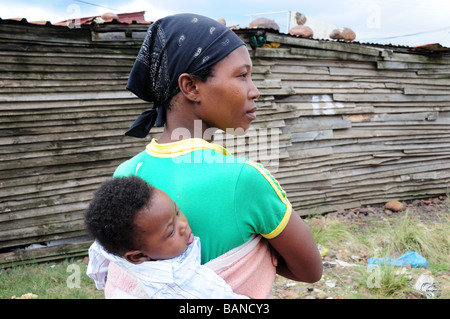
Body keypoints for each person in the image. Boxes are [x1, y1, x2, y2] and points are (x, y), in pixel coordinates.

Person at [110, 13, 323, 298]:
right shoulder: (244, 179)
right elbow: (309, 271)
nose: (255, 91)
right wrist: (257, 250)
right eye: (242, 75)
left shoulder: (126, 174)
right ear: (192, 87)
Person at [85, 176, 248, 299]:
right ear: (138, 256)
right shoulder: (180, 282)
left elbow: (97, 254)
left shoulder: (107, 246)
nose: (183, 225)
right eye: (170, 232)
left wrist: (103, 282)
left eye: (177, 212)